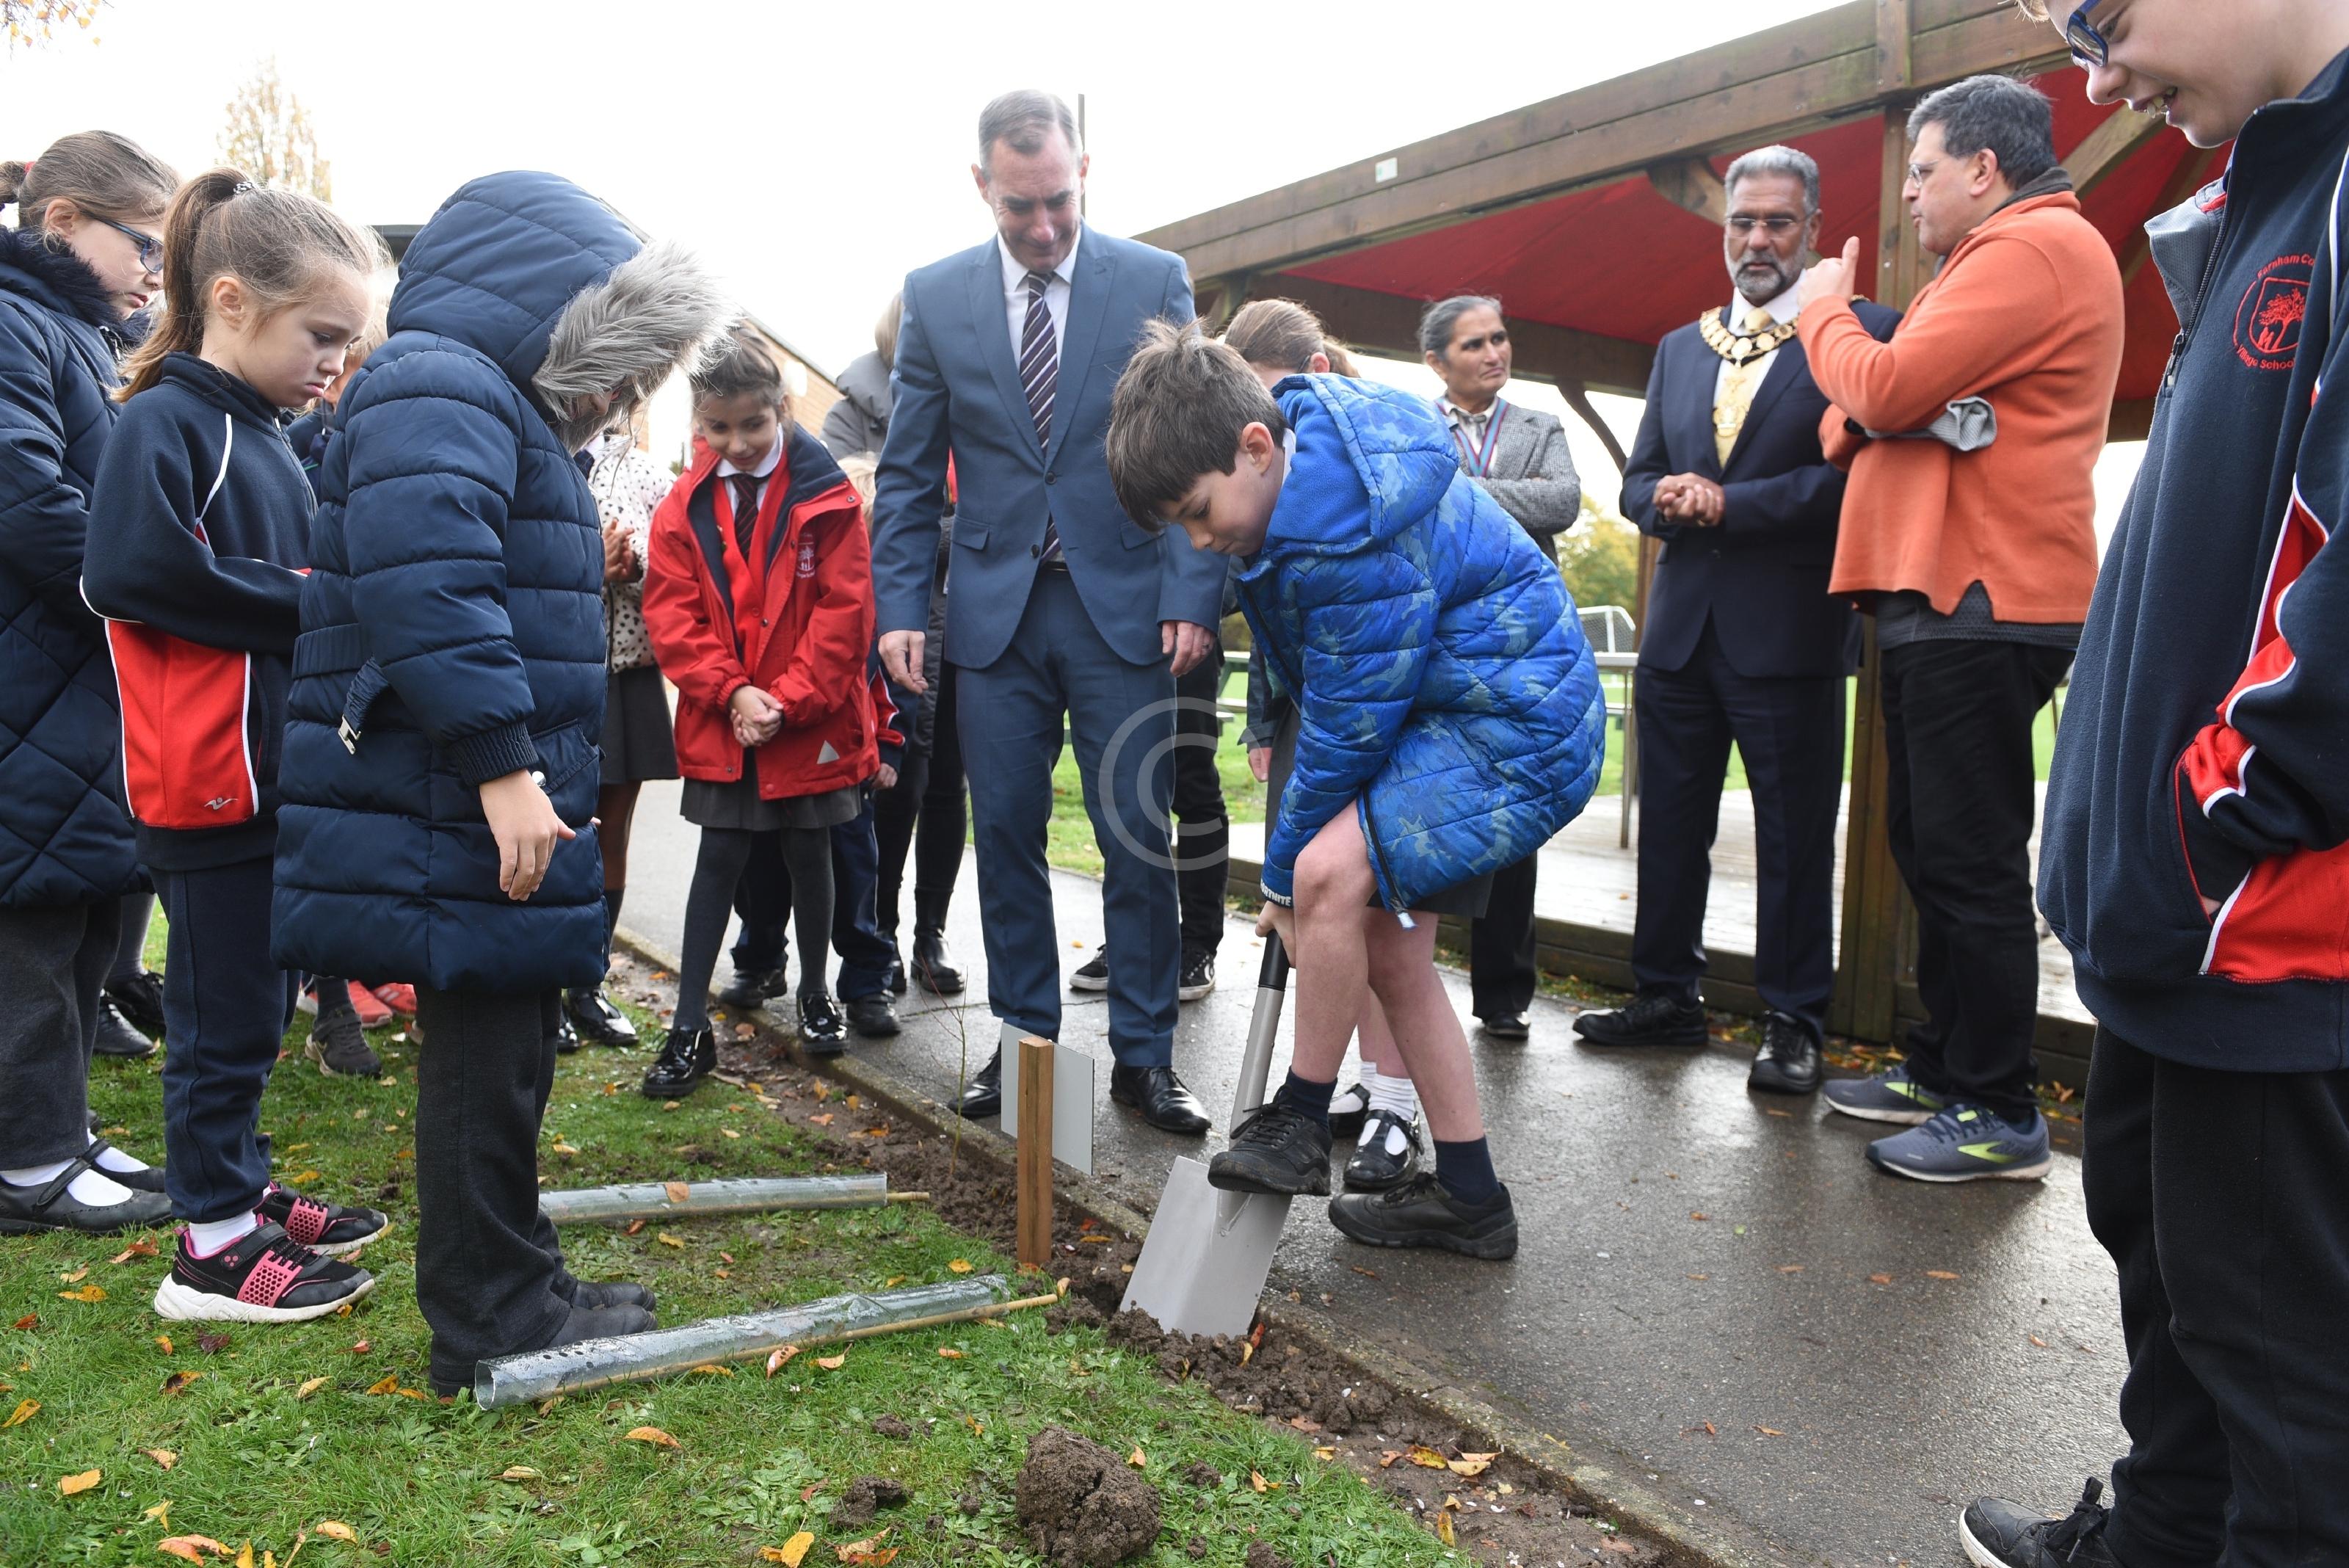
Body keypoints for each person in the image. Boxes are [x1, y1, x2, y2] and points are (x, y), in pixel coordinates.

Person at [1958, 3, 2349, 1564]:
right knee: (2171, 1297)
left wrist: (2227, 814)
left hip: (2260, 925)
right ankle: (2152, 1534)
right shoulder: (2269, 192)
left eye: (2101, 17)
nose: (2093, 75)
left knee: (2287, 1398)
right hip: (2174, 922)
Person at [272, 170, 726, 1393]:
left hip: (466, 799)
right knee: (483, 1054)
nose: (625, 392)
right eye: (616, 356)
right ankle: (488, 1315)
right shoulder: (443, 382)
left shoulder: (482, 399)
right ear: (551, 314)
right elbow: (432, 583)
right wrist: (506, 767)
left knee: (510, 1045)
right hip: (452, 799)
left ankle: (521, 1275)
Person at [1105, 322, 1606, 1255]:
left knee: (1325, 877)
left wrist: (1281, 877)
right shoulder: (1294, 475)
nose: (1200, 538)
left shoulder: (1350, 531)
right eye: (1181, 527)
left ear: (1255, 446)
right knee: (1391, 953)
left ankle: (1296, 1119)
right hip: (1445, 705)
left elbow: (1348, 725)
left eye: (1197, 511)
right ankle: (1470, 1200)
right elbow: (1310, 671)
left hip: (1516, 724)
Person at [870, 90, 1226, 1131]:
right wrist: (901, 604)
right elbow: (904, 475)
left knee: (1135, 831)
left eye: (1059, 201)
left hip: (1125, 610)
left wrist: (1191, 589)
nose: (1043, 227)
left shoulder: (1152, 279)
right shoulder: (935, 298)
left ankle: (1145, 1059)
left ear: (1084, 173)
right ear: (982, 185)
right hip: (994, 619)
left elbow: (1196, 437)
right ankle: (1028, 1052)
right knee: (1008, 833)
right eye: (1020, 205)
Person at [1798, 73, 2124, 1182]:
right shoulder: (1987, 263)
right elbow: (1872, 414)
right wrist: (1888, 401)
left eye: (1922, 171)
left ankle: (1998, 1109)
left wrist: (1824, 321)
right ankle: (1943, 1068)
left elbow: (1879, 395)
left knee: (1971, 859)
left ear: (1985, 169)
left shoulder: (2029, 249)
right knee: (1929, 847)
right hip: (1941, 594)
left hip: (1985, 597)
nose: (1910, 197)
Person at [84, 170, 391, 1321]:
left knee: (254, 1010)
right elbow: (123, 572)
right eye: (322, 335)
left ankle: (241, 1190)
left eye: (349, 343)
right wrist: (310, 601)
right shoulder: (167, 416)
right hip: (204, 780)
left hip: (266, 776)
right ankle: (208, 1250)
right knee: (219, 1021)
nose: (334, 364)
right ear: (230, 300)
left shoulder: (263, 431)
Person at [1574, 145, 1900, 1096]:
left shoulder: (1861, 331)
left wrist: (1734, 506)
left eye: (1778, 224)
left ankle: (1794, 1018)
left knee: (1796, 838)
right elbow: (1633, 482)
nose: (1757, 241)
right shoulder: (1679, 348)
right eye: (1742, 224)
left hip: (1790, 632)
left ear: (1811, 227)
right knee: (1671, 826)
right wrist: (1663, 496)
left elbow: (1859, 480)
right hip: (1680, 631)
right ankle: (1665, 997)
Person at [0, 134, 179, 1236]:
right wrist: (148, 581)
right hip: (27, 679)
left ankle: (59, 1137)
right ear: (63, 222)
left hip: (63, 678)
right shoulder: (14, 323)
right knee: (27, 932)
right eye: (144, 241)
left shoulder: (69, 328)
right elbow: (25, 500)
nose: (156, 267)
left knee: (69, 925)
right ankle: (27, 1167)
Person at [1221, 297, 1425, 1190]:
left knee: (1385, 920)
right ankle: (1349, 1083)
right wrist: (1269, 725)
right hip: (1313, 712)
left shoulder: (1373, 473)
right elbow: (1271, 630)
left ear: (1317, 372)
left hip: (1388, 704)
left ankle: (1397, 1107)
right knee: (1311, 914)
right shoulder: (1265, 491)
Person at [639, 328, 877, 1094]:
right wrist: (732, 692)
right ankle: (687, 1025)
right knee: (718, 860)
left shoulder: (829, 498)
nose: (735, 443)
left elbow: (844, 614)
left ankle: (814, 993)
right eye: (717, 428)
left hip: (806, 718)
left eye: (752, 425)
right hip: (725, 718)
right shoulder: (683, 507)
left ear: (781, 409)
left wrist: (789, 700)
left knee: (812, 855)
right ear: (697, 424)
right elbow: (672, 615)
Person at [1412, 294, 1582, 1040]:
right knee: (1431, 807)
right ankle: (1411, 985)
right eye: (1474, 344)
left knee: (1514, 819)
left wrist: (1463, 494)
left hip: (1520, 648)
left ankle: (1503, 997)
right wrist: (1509, 503)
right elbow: (1412, 507)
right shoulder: (1412, 427)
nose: (1494, 353)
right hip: (1441, 643)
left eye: (1499, 338)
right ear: (1436, 361)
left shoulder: (1542, 426)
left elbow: (1564, 503)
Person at [286, 308, 399, 1078]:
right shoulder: (297, 449)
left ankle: (384, 968)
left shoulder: (401, 445)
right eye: (338, 363)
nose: (340, 379)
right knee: (323, 843)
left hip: (382, 665)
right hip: (314, 660)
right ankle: (329, 1006)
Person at [566, 416, 675, 1051]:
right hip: (554, 668)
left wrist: (633, 566)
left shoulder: (647, 474)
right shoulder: (541, 450)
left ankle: (588, 984)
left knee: (613, 832)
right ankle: (541, 985)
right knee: (556, 830)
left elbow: (677, 572)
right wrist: (588, 565)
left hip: (627, 672)